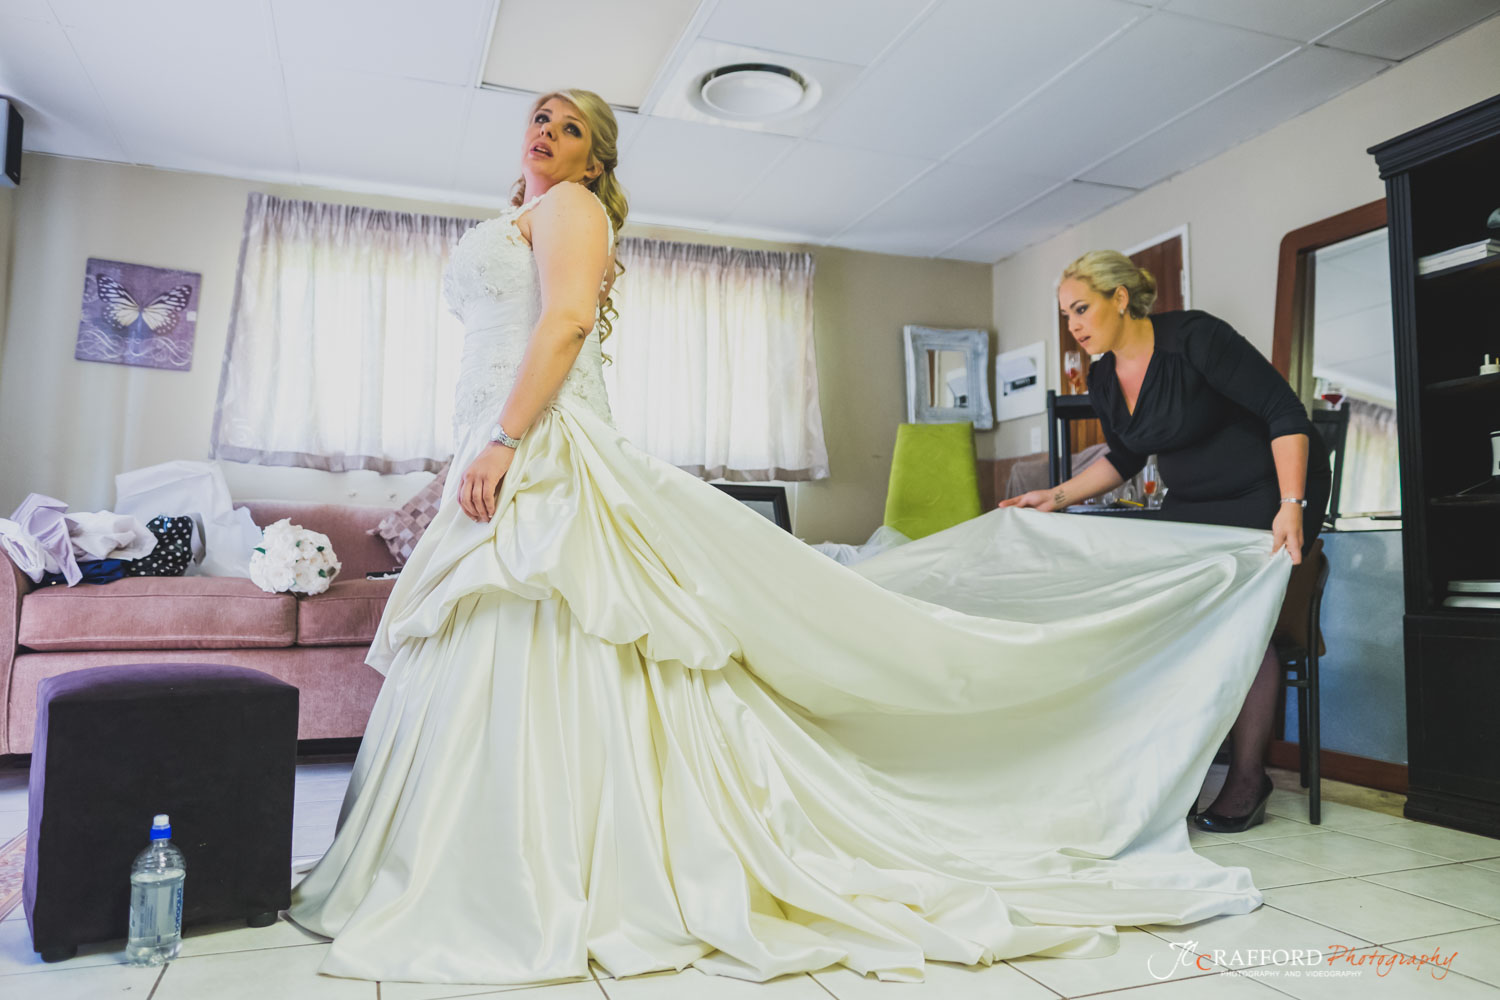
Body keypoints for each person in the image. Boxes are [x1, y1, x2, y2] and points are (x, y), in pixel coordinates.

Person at [286, 91, 1299, 988]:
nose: (547, 131)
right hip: (505, 437)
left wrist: (506, 438)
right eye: (538, 117)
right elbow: (1126, 455)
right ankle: (501, 860)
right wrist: (1061, 495)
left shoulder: (571, 208)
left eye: (572, 126)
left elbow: (563, 324)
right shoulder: (526, 215)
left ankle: (545, 871)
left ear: (596, 161)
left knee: (584, 625)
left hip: (543, 445)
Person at [1002, 250, 1332, 834]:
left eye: (1082, 309)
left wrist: (1291, 504)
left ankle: (1248, 777)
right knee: (1157, 610)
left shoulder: (1196, 338)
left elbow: (1284, 412)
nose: (1073, 325)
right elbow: (1126, 456)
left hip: (1264, 490)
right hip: (1193, 503)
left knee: (1238, 620)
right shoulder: (1103, 377)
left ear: (1119, 298)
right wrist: (1055, 496)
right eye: (1066, 314)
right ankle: (1168, 769)